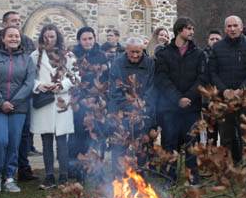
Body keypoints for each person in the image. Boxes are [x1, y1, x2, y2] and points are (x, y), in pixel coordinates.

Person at [0, 26, 36, 194]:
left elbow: (29, 83)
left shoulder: (27, 59)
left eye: (17, 36)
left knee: (14, 142)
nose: (14, 38)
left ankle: (10, 177)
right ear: (3, 39)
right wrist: (1, 102)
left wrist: (13, 101)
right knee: (0, 140)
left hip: (18, 108)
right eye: (10, 36)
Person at [154, 18, 204, 184]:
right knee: (169, 143)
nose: (192, 32)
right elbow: (162, 79)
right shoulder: (164, 54)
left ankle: (193, 179)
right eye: (188, 29)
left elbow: (202, 78)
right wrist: (177, 99)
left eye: (192, 28)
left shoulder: (198, 54)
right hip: (170, 108)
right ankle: (169, 178)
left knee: (192, 144)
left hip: (191, 108)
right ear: (179, 31)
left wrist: (188, 97)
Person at [206, 15, 246, 163]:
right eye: (229, 26)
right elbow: (212, 73)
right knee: (226, 137)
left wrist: (241, 89)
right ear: (225, 29)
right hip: (225, 100)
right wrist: (225, 91)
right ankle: (228, 172)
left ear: (241, 27)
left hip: (245, 98)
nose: (232, 29)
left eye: (235, 26)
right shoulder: (217, 48)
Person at [30, 24, 75, 189]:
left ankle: (63, 175)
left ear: (57, 37)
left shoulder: (68, 55)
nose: (49, 40)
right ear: (42, 37)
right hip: (44, 102)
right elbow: (30, 77)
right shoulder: (35, 56)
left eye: (52, 36)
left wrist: (61, 85)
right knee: (46, 140)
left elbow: (75, 76)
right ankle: (49, 176)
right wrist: (39, 86)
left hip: (61, 102)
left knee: (62, 140)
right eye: (46, 37)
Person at [108, 36, 156, 174]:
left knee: (142, 145)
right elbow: (114, 91)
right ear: (126, 50)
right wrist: (129, 107)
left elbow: (152, 88)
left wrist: (141, 105)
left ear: (142, 50)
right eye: (132, 52)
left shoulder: (150, 64)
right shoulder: (117, 63)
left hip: (143, 110)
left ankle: (141, 176)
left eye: (138, 52)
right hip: (122, 111)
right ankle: (119, 177)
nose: (135, 55)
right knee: (120, 145)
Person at [0, 11, 37, 181]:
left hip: (23, 98)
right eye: (13, 21)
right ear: (4, 24)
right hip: (1, 100)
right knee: (2, 138)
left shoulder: (27, 42)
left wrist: (19, 97)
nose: (16, 23)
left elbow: (30, 73)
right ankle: (2, 172)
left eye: (19, 21)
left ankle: (23, 167)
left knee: (22, 135)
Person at [68, 26, 109, 175]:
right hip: (79, 103)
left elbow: (106, 79)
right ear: (79, 41)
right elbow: (71, 79)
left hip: (98, 102)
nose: (87, 42)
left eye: (90, 38)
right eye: (84, 39)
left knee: (98, 135)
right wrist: (81, 98)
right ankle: (75, 168)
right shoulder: (73, 56)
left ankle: (97, 167)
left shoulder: (102, 56)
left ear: (94, 38)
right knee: (78, 136)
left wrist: (99, 96)